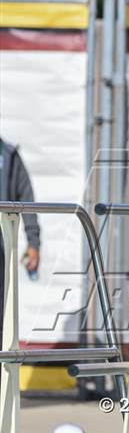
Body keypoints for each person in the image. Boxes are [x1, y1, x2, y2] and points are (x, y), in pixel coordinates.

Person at [0, 138, 41, 343]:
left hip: (2, 250)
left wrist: (33, 243)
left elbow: (26, 198)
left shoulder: (9, 155)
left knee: (3, 318)